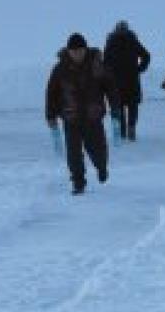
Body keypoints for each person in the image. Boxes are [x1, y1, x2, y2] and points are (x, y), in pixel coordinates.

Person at [46, 33, 120, 195]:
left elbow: (111, 87)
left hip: (93, 116)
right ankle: (78, 182)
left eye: (80, 50)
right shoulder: (60, 69)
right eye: (74, 51)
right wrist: (50, 115)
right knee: (73, 153)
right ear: (68, 51)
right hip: (70, 117)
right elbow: (52, 93)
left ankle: (101, 167)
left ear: (85, 49)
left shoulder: (97, 65)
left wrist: (115, 107)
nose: (77, 54)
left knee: (97, 149)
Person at [103, 20, 151, 141]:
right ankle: (128, 131)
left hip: (124, 80)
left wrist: (140, 68)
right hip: (127, 80)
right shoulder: (127, 41)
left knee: (126, 106)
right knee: (129, 106)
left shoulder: (120, 41)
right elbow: (105, 62)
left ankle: (127, 131)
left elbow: (146, 56)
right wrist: (140, 68)